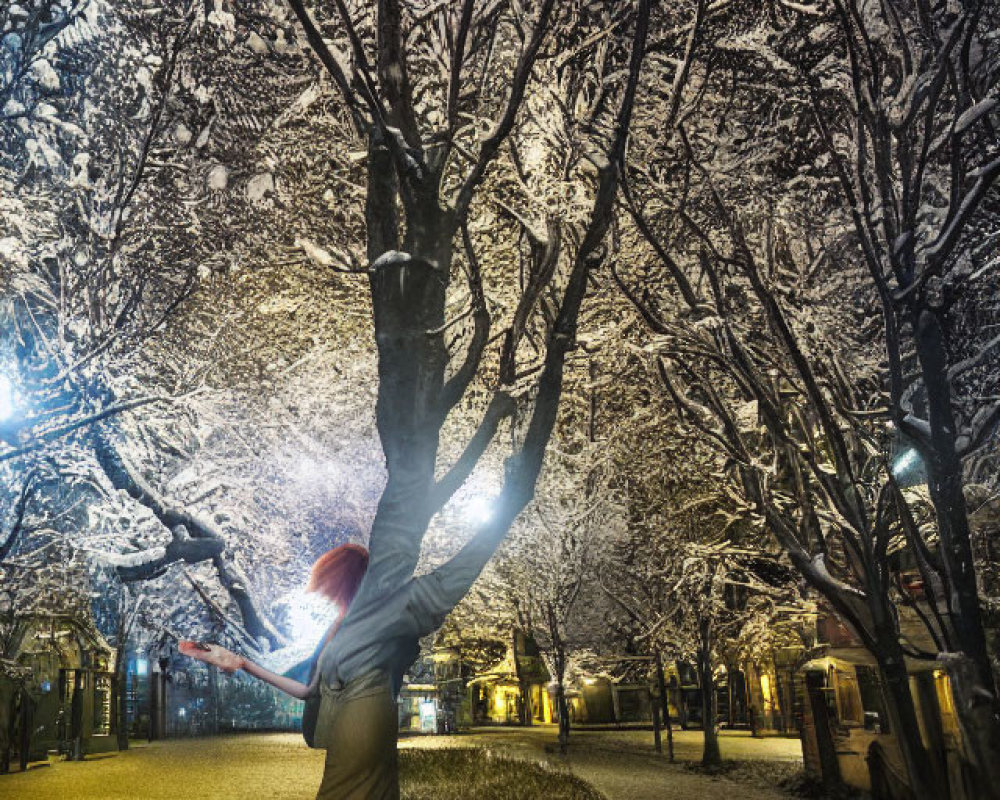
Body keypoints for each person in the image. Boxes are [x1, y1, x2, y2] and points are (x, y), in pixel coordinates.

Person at [181, 517, 506, 800]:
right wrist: (242, 663)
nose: (325, 593)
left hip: (364, 729)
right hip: (351, 734)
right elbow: (308, 690)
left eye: (330, 585)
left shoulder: (375, 628)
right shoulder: (337, 633)